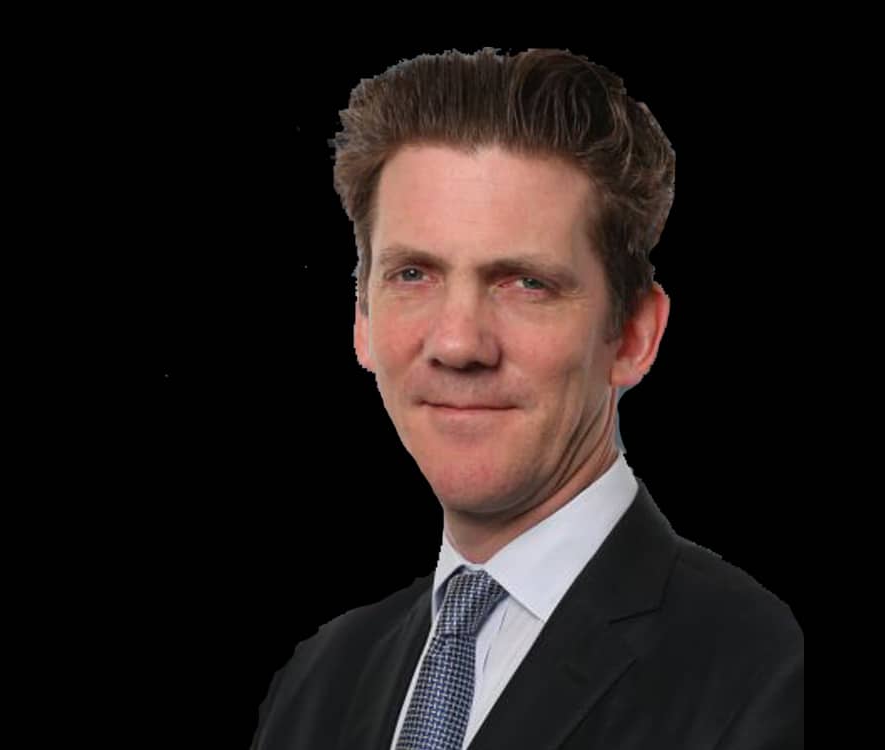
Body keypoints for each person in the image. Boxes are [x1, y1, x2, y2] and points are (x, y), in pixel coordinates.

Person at [251, 47, 802, 749]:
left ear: (634, 336)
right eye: (413, 274)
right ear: (360, 320)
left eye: (526, 283)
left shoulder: (765, 676)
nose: (458, 343)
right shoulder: (320, 679)